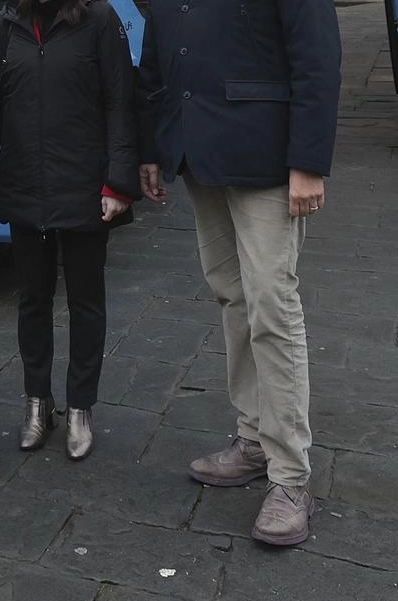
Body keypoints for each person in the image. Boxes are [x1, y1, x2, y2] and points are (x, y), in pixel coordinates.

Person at [137, 0, 341, 546]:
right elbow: (157, 57)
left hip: (268, 157)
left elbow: (317, 58)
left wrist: (309, 163)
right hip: (198, 152)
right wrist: (154, 146)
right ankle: (254, 438)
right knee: (233, 296)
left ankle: (291, 476)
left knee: (272, 307)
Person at [0, 0, 138, 460]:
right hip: (24, 182)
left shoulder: (100, 19)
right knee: (32, 299)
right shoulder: (8, 21)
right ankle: (37, 402)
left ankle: (80, 406)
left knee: (85, 301)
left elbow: (121, 103)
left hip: (84, 186)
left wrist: (118, 182)